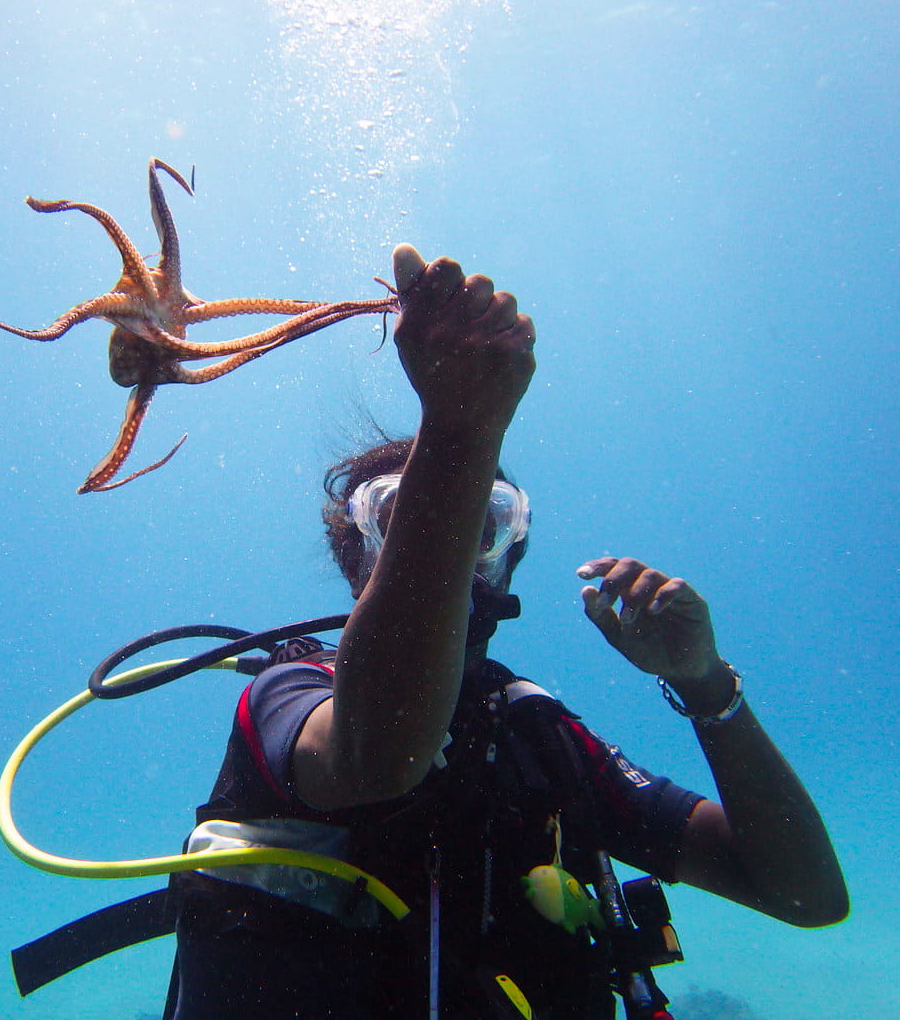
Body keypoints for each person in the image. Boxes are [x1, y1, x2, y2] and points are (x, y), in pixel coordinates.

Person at [168, 245, 848, 1019]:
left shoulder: (537, 737)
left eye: (481, 527)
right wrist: (459, 429)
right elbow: (380, 752)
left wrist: (706, 686)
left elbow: (807, 896)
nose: (454, 550)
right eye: (402, 518)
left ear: (510, 560)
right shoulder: (289, 693)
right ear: (353, 558)